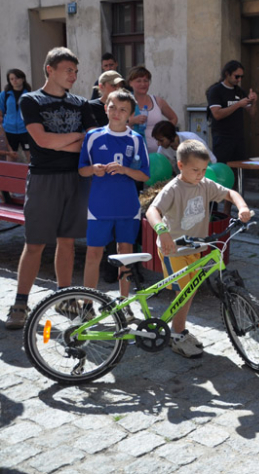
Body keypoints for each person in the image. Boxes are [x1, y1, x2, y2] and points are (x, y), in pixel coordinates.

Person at [5, 47, 97, 330]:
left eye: (76, 71)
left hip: (75, 177)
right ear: (50, 70)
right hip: (45, 178)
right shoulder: (31, 101)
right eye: (68, 70)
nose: (74, 76)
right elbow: (41, 141)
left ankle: (65, 297)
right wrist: (73, 138)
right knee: (34, 244)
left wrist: (64, 140)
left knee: (67, 242)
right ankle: (21, 303)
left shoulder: (81, 103)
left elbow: (88, 141)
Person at [145, 139, 251, 358]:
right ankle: (176, 335)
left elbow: (230, 193)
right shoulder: (174, 188)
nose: (200, 174)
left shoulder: (205, 185)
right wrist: (162, 231)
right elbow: (152, 211)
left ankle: (179, 330)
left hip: (195, 248)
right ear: (180, 166)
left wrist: (242, 207)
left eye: (203, 170)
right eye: (195, 170)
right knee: (183, 292)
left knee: (189, 291)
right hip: (173, 250)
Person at [78, 89, 150, 305]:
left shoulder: (136, 139)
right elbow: (82, 169)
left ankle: (124, 302)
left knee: (125, 253)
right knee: (93, 254)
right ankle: (87, 303)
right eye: (113, 107)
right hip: (99, 206)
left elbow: (144, 173)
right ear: (105, 108)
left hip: (127, 206)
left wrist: (125, 170)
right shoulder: (92, 136)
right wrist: (94, 169)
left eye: (123, 109)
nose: (117, 112)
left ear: (130, 114)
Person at [206, 60, 258, 163]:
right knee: (223, 168)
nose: (239, 79)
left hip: (238, 137)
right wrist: (238, 104)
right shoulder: (216, 91)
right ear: (227, 74)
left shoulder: (239, 91)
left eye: (241, 77)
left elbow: (251, 113)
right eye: (236, 76)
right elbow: (217, 114)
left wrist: (254, 102)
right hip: (222, 137)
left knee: (239, 167)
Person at [126, 65, 178, 154]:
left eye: (146, 81)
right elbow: (116, 125)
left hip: (160, 154)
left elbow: (173, 118)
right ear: (130, 83)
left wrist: (166, 133)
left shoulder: (158, 101)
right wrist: (132, 121)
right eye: (138, 81)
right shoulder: (125, 102)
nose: (143, 84)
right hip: (136, 152)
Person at [151, 120, 216, 173]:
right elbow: (161, 167)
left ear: (170, 136)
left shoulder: (192, 139)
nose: (158, 144)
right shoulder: (162, 149)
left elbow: (209, 160)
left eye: (161, 140)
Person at [0, 69, 33, 162]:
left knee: (30, 155)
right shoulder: (4, 95)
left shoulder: (30, 95)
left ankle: (31, 175)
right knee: (11, 155)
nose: (14, 81)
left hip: (25, 129)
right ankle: (8, 176)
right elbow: (0, 111)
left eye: (17, 78)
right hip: (9, 130)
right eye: (11, 79)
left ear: (22, 79)